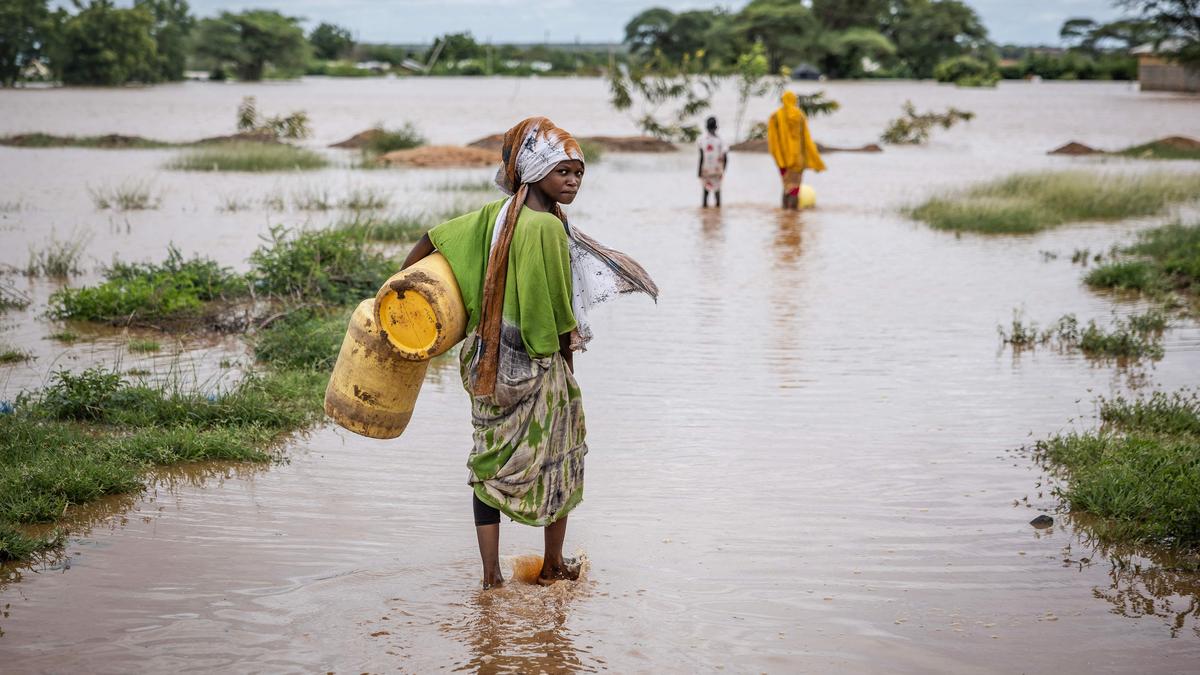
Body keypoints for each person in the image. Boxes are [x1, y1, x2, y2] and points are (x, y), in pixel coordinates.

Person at [400, 117, 657, 589]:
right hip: (533, 361)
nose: (573, 181)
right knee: (561, 457)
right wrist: (568, 364)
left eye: (579, 173)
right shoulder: (545, 228)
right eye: (563, 171)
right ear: (534, 170)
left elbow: (432, 239)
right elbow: (557, 309)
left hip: (486, 361)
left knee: (488, 464)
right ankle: (553, 566)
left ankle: (491, 577)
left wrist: (399, 287)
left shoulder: (492, 217)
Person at [767, 91, 825, 210]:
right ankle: (793, 213)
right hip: (798, 159)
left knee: (786, 185)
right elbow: (807, 140)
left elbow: (772, 140)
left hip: (782, 159)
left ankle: (784, 211)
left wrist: (777, 157)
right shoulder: (799, 116)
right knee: (795, 187)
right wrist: (815, 159)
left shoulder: (775, 116)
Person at [697, 116, 727, 208]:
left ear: (706, 127)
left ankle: (705, 208)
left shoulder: (701, 140)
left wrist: (699, 171)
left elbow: (701, 157)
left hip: (706, 169)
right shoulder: (721, 140)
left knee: (705, 191)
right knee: (717, 190)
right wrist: (724, 169)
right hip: (717, 169)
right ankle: (718, 209)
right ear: (716, 127)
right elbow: (725, 157)